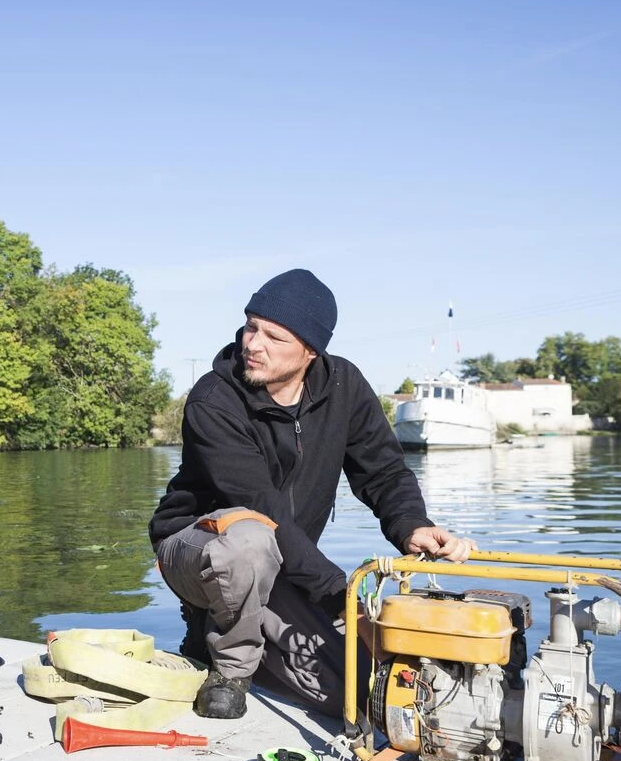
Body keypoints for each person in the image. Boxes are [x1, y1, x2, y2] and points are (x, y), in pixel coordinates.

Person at [149, 268, 474, 720]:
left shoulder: (344, 386)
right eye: (250, 327)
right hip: (196, 550)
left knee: (360, 692)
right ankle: (229, 669)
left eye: (274, 337)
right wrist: (343, 600)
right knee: (248, 539)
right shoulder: (214, 399)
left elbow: (383, 471)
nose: (253, 344)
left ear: (311, 351)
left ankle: (228, 634)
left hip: (283, 559)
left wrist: (411, 525)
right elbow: (264, 510)